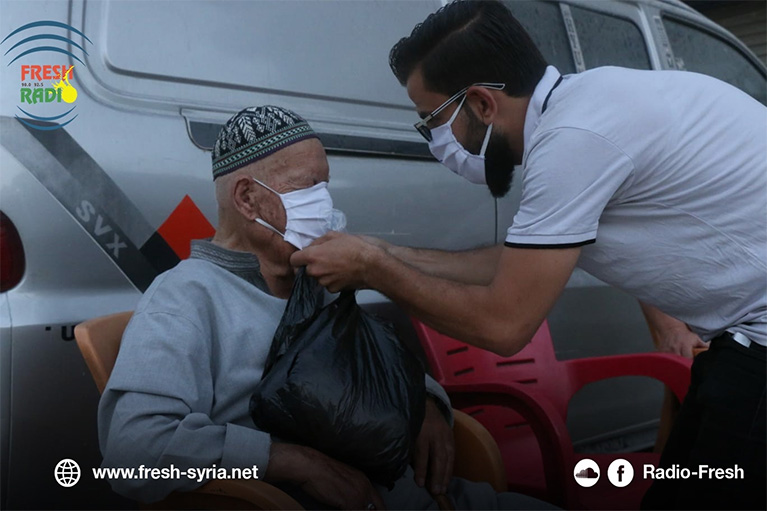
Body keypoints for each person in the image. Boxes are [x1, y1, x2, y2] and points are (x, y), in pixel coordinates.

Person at [289, 1, 767, 510]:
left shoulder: (574, 141)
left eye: (432, 119)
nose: (434, 139)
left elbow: (504, 324)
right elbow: (510, 263)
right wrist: (382, 249)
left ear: (480, 103)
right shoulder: (590, 105)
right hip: (742, 343)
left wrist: (373, 269)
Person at [98, 105, 552, 510]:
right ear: (246, 198)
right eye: (306, 187)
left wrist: (427, 404)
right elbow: (135, 453)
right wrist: (296, 463)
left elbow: (376, 365)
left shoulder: (317, 281)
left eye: (325, 185)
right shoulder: (186, 298)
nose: (324, 202)